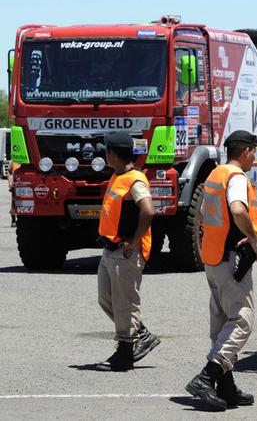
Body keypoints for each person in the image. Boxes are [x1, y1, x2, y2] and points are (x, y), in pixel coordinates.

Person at [186, 130, 257, 411]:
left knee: (221, 322)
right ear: (244, 152)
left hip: (214, 258)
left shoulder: (215, 175)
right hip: (232, 259)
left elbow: (204, 214)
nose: (255, 156)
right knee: (242, 321)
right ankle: (207, 377)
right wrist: (252, 237)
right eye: (254, 151)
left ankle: (226, 386)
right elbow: (238, 209)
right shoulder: (236, 178)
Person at [95, 131, 160, 371]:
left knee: (125, 303)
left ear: (113, 153)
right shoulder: (118, 175)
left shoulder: (135, 179)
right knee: (106, 298)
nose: (105, 154)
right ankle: (141, 334)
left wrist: (134, 242)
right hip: (110, 248)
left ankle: (124, 353)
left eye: (106, 151)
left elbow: (148, 211)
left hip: (126, 252)